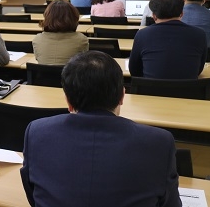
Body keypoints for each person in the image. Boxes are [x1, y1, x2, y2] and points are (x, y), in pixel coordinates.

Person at [21, 51, 180, 207]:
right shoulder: (159, 142)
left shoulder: (36, 132)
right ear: (122, 97)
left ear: (68, 102)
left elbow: (33, 195)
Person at [130, 0, 206, 79]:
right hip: (187, 91)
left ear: (154, 16)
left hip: (150, 91)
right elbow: (199, 69)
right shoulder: (199, 35)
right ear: (181, 14)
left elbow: (134, 71)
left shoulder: (142, 35)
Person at [32, 0, 88, 65]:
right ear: (74, 17)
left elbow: (38, 59)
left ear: (47, 17)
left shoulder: (37, 39)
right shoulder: (81, 39)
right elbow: (83, 62)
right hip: (70, 75)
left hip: (44, 74)